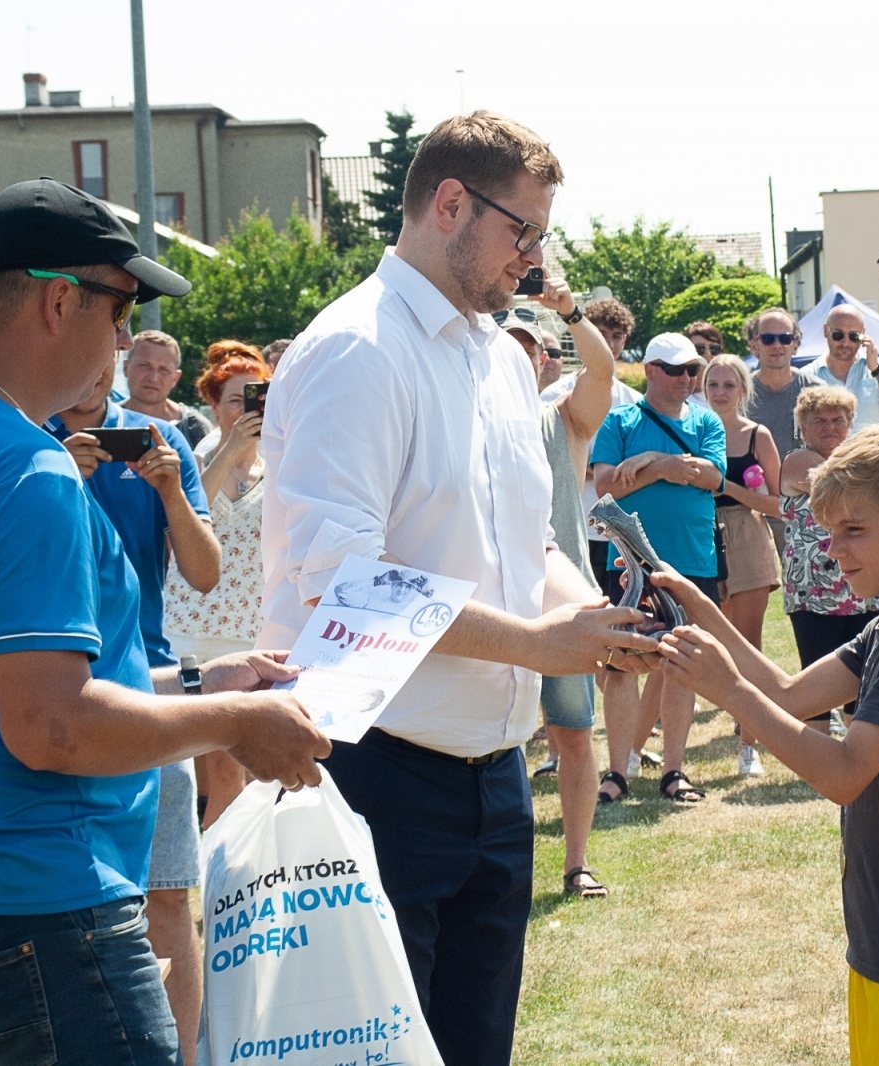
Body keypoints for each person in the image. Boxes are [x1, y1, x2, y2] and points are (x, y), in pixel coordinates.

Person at [259, 112, 659, 1063]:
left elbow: (527, 554)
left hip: (495, 780)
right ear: (449, 204)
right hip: (372, 773)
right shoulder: (358, 349)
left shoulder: (498, 359)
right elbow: (342, 589)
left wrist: (606, 622)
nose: (534, 258)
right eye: (524, 231)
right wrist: (537, 645)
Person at [0, 177, 326, 1062]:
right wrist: (232, 719)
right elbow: (51, 725)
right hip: (33, 913)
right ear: (62, 301)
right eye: (123, 308)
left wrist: (198, 682)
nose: (125, 339)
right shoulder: (26, 470)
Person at [656, 421, 879, 1066]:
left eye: (854, 531)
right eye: (830, 530)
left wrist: (726, 689)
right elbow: (788, 694)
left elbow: (845, 774)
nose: (834, 549)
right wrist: (697, 605)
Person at [50, 350, 224, 1053]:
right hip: (55, 688)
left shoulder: (162, 440)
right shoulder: (28, 438)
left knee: (168, 894)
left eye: (106, 362)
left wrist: (171, 493)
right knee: (74, 904)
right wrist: (59, 474)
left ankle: (182, 1053)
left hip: (149, 689)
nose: (95, 375)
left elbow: (206, 573)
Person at [507, 278, 620, 898]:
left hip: (563, 599)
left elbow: (601, 370)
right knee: (496, 745)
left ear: (546, 358)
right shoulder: (468, 419)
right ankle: (503, 867)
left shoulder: (565, 420)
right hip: (497, 606)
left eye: (530, 347)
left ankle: (576, 861)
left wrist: (571, 311)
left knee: (573, 734)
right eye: (510, 344)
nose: (520, 355)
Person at [591, 333, 726, 804]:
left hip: (693, 559)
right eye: (675, 370)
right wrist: (664, 467)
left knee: (680, 665)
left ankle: (673, 771)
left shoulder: (708, 420)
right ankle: (616, 772)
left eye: (692, 370)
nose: (687, 379)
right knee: (622, 665)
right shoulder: (619, 420)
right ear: (649, 371)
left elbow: (711, 476)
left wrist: (649, 460)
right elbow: (606, 487)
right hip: (629, 560)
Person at [162, 340, 272, 830]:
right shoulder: (197, 454)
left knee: (232, 764)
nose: (248, 408)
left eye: (258, 397)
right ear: (212, 403)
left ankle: (224, 877)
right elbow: (184, 517)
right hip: (188, 626)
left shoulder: (282, 459)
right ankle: (180, 866)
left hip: (249, 627)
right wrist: (229, 451)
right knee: (176, 766)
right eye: (236, 399)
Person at [781, 386, 879, 726]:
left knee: (863, 683)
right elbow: (833, 482)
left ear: (850, 422)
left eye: (838, 420)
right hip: (812, 591)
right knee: (816, 684)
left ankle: (858, 766)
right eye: (819, 421)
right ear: (803, 427)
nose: (830, 427)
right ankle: (820, 771)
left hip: (862, 588)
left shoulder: (861, 459)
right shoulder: (796, 460)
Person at [702, 353, 784, 776]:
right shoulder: (693, 431)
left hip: (750, 535)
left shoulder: (758, 435)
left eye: (728, 385)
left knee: (748, 641)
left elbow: (778, 503)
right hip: (701, 536)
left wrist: (726, 486)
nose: (720, 393)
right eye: (712, 385)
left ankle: (749, 743)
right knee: (715, 636)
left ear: (742, 391)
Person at [543, 297, 643, 596]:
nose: (609, 344)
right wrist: (603, 469)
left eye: (617, 336)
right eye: (601, 334)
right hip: (571, 524)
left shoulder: (635, 401)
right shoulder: (554, 395)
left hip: (620, 530)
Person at [748, 307, 817, 554]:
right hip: (753, 511)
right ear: (754, 345)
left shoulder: (816, 391)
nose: (777, 345)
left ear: (795, 344)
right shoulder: (740, 391)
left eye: (785, 338)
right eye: (768, 338)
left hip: (808, 511)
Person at [806, 303, 879, 433]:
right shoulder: (808, 375)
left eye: (853, 336)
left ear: (863, 335)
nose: (845, 343)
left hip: (872, 452)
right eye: (838, 335)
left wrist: (875, 369)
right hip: (830, 454)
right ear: (825, 331)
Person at [123, 328, 213, 448]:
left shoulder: (195, 429)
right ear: (126, 368)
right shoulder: (104, 420)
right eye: (145, 366)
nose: (154, 378)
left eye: (163, 370)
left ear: (175, 378)